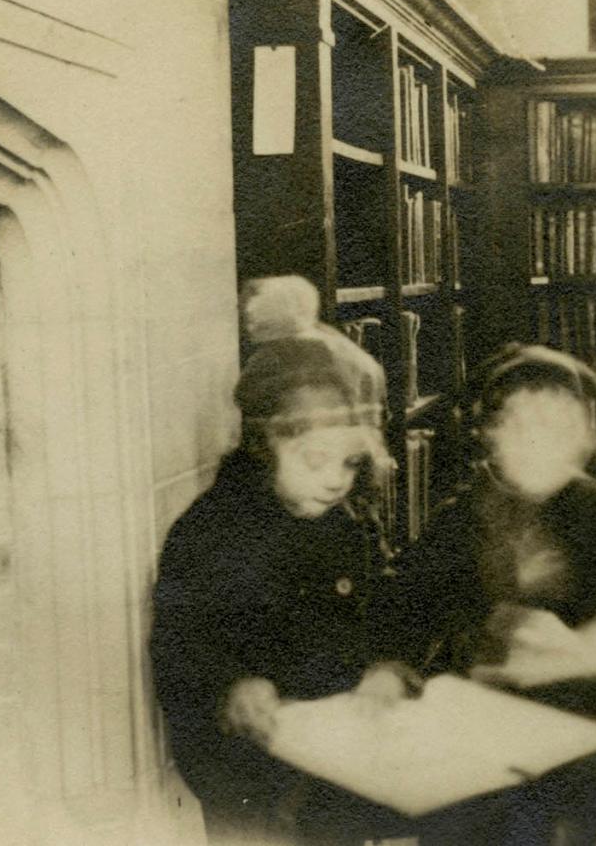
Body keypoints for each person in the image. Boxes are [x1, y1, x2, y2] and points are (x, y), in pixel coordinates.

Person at [381, 343, 596, 845]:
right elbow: (410, 600)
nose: (539, 443)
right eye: (521, 428)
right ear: (491, 437)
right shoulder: (462, 517)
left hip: (574, 718)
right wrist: (396, 663)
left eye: (559, 430)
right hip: (475, 718)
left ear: (585, 440)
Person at [150, 276, 411, 846]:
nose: (336, 481)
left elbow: (387, 608)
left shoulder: (348, 524)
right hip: (247, 767)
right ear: (266, 446)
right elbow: (181, 645)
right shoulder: (209, 532)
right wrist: (232, 688)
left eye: (348, 463)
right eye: (316, 460)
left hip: (337, 759)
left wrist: (388, 666)